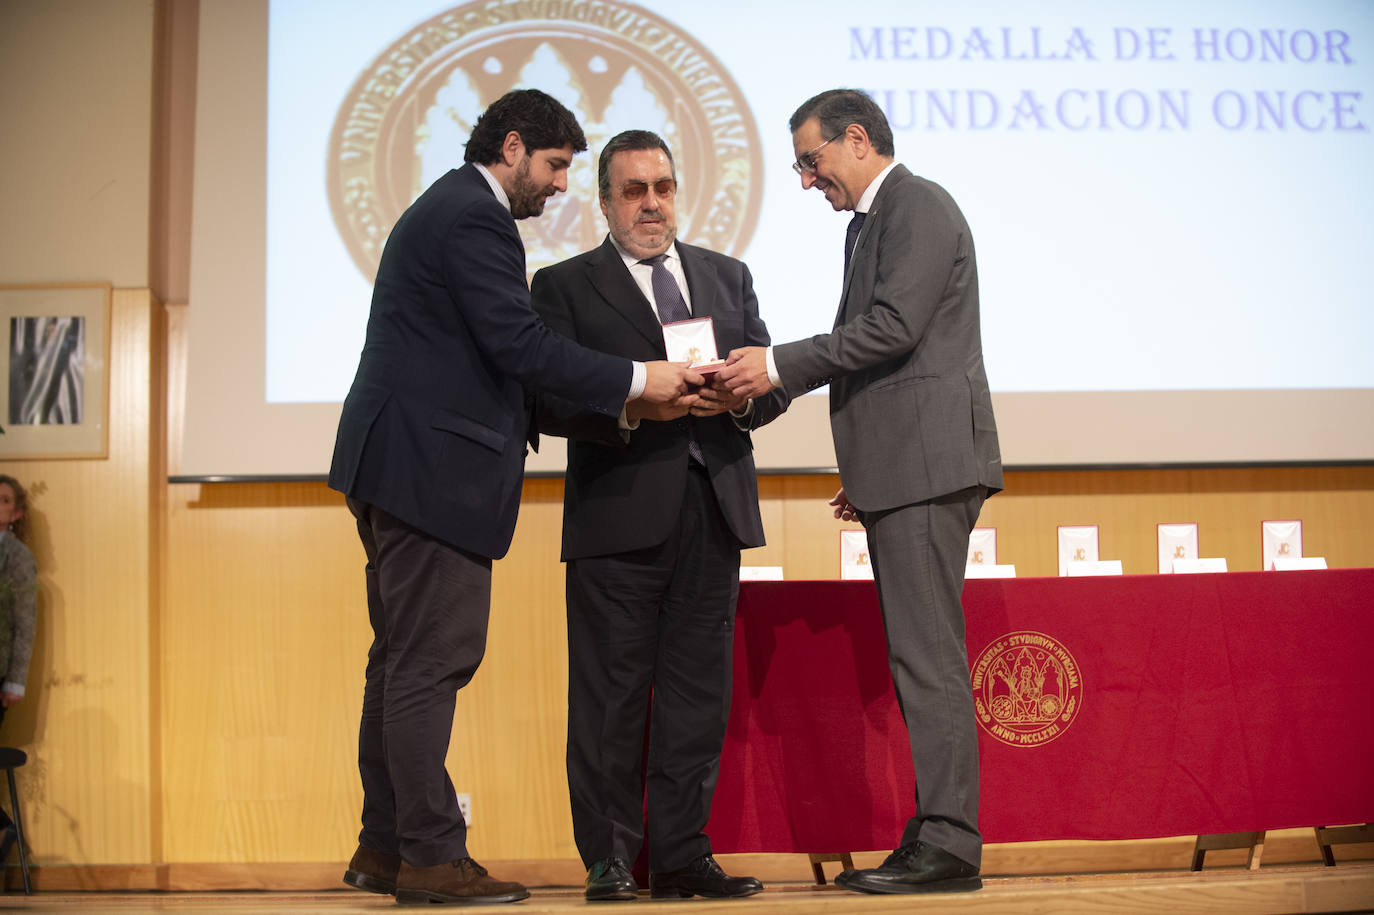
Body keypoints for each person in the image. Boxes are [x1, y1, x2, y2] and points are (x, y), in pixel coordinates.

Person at [328, 91, 702, 906]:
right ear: (512, 146)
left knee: (398, 660)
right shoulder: (474, 216)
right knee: (431, 661)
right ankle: (430, 855)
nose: (562, 185)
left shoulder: (454, 208)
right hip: (431, 471)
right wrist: (641, 380)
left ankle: (386, 844)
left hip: (397, 463)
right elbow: (518, 343)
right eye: (558, 166)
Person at [717, 88, 1003, 895]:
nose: (807, 180)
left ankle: (949, 841)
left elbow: (891, 330)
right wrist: (873, 460)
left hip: (930, 467)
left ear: (855, 138)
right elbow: (889, 357)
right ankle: (934, 831)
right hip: (909, 464)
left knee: (927, 657)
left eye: (811, 160)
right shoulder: (871, 224)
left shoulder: (916, 205)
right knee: (920, 654)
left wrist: (773, 364)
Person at [529, 130, 788, 901]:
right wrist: (638, 404)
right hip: (618, 516)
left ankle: (680, 855)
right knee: (609, 697)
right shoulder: (564, 287)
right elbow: (545, 397)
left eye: (663, 187)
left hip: (713, 511)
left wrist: (742, 398)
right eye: (633, 189)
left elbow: (768, 381)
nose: (651, 202)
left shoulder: (726, 274)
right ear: (606, 201)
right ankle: (610, 858)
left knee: (695, 697)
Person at [0, 475, 36, 864]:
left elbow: (25, 622)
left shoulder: (18, 556)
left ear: (16, 513)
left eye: (4, 500)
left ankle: (3, 828)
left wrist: (15, 680)